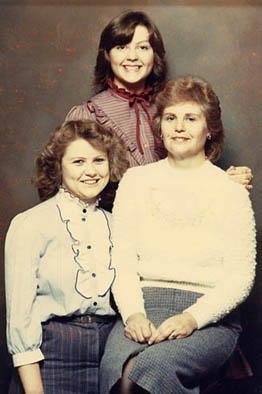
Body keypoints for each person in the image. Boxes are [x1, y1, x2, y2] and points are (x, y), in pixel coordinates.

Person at [99, 75, 257, 394]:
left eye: (191, 118)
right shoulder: (135, 181)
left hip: (209, 316)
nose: (179, 127)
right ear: (160, 126)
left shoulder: (231, 190)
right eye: (170, 118)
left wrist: (192, 318)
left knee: (152, 369)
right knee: (120, 371)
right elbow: (123, 259)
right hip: (143, 305)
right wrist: (132, 314)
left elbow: (241, 276)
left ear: (209, 128)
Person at [65, 10, 253, 191]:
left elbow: (194, 170)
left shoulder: (172, 108)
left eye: (143, 47)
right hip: (114, 219)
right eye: (122, 47)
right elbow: (70, 184)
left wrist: (226, 182)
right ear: (107, 55)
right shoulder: (88, 114)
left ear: (155, 56)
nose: (132, 57)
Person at [5, 119, 128, 394]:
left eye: (99, 160)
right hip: (51, 359)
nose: (91, 171)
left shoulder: (118, 225)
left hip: (110, 358)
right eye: (78, 162)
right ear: (58, 167)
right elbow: (20, 316)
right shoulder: (31, 224)